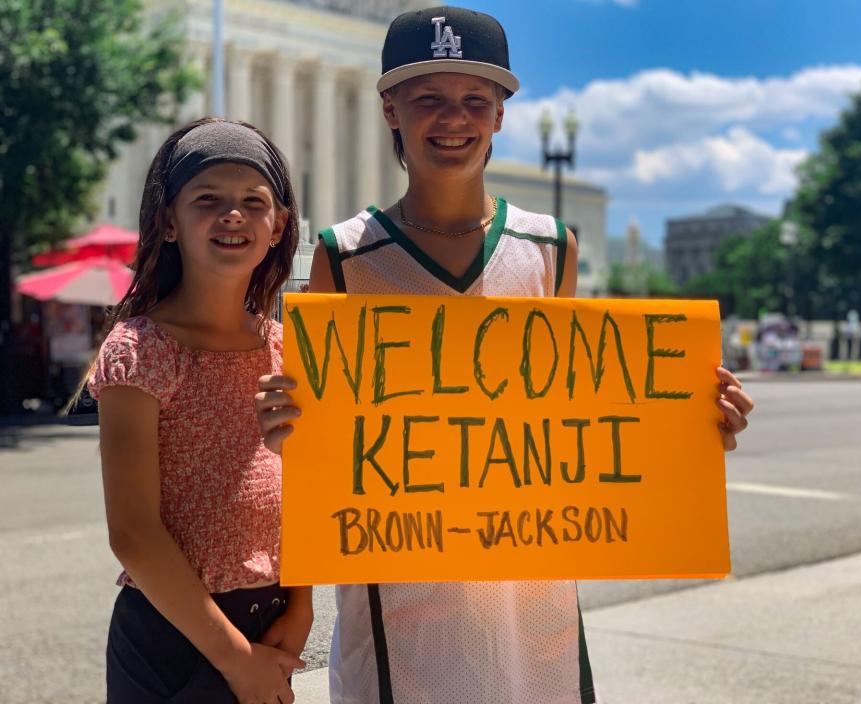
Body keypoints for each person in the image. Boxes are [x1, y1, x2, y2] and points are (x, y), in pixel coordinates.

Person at [256, 7, 754, 703]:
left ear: (501, 115)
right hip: (398, 605)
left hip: (532, 599)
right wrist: (291, 430)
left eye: (474, 101)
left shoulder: (552, 248)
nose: (452, 119)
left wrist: (691, 430)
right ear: (390, 108)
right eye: (428, 97)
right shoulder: (346, 256)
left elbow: (580, 415)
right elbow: (331, 454)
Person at [87, 117, 312, 703]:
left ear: (279, 224)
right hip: (171, 634)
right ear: (168, 221)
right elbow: (133, 533)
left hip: (274, 623)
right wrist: (236, 660)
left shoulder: (291, 349)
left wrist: (303, 605)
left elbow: (311, 487)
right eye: (207, 199)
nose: (232, 215)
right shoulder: (140, 350)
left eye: (253, 201)